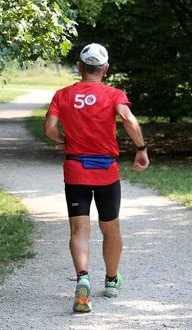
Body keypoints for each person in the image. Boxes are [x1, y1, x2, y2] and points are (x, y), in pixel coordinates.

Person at [44, 43, 149, 313]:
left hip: (75, 169)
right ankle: (112, 281)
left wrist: (65, 139)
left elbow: (50, 128)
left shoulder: (63, 94)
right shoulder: (114, 94)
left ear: (79, 67)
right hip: (106, 172)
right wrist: (141, 149)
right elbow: (127, 118)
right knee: (110, 229)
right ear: (105, 69)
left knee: (79, 230)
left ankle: (82, 279)